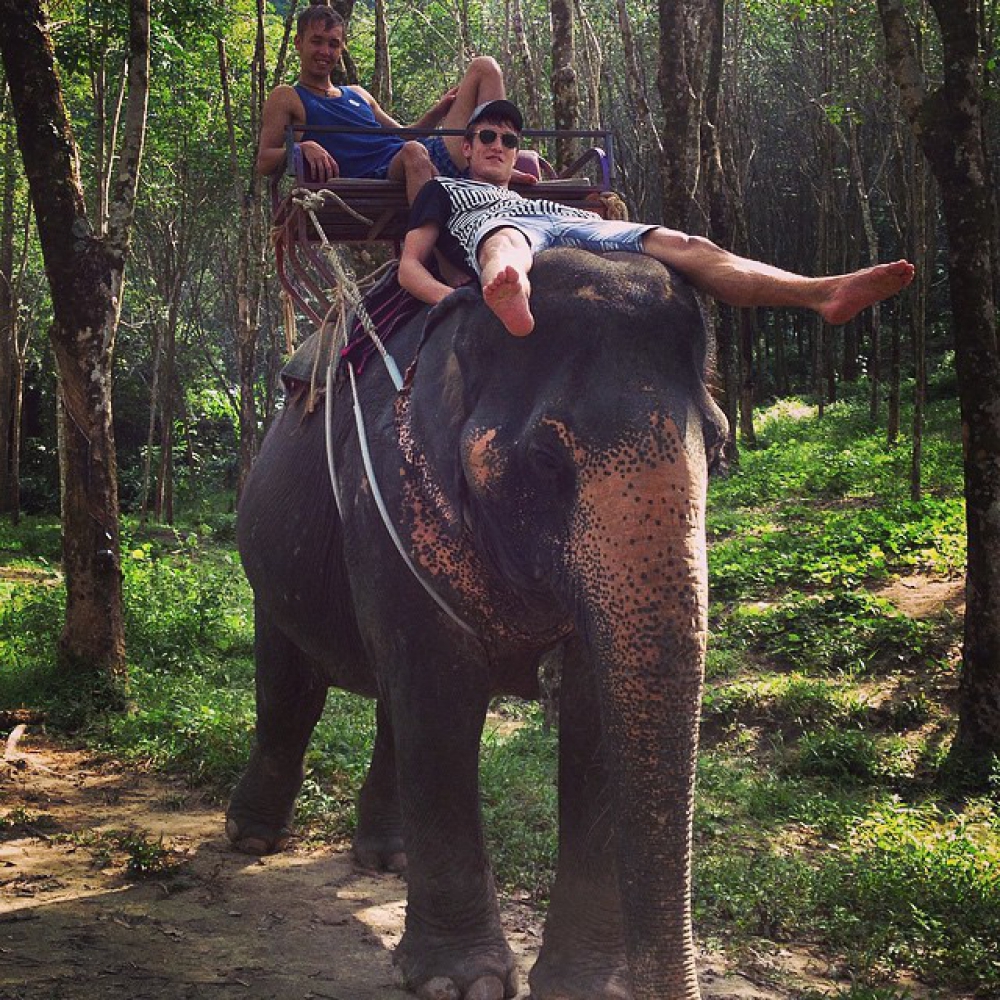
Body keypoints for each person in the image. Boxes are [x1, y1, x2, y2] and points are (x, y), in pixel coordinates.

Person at [398, 99, 916, 337]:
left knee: (688, 245)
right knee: (504, 244)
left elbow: (569, 206)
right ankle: (511, 296)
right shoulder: (444, 190)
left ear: (516, 152)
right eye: (487, 136)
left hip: (557, 219)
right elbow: (409, 265)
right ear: (468, 147)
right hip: (493, 224)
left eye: (509, 139)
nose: (498, 144)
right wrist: (450, 297)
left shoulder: (540, 191)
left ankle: (822, 293)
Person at [256, 6, 536, 201]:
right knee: (413, 152)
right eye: (316, 42)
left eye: (333, 44)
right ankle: (431, 252)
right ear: (299, 43)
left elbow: (404, 135)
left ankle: (497, 164)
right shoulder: (287, 96)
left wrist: (437, 111)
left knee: (485, 67)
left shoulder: (357, 93)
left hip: (421, 152)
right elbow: (265, 160)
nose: (325, 51)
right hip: (384, 174)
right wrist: (300, 147)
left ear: (341, 49)